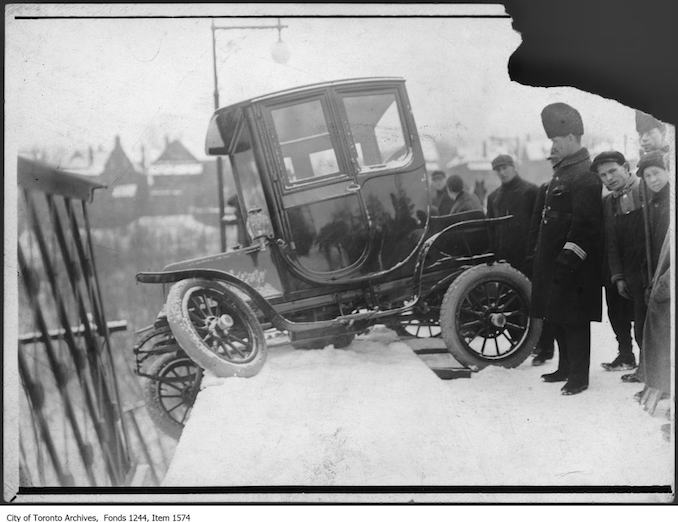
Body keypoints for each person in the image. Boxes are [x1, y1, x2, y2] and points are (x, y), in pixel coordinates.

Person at [530, 102, 603, 395]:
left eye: (557, 140)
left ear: (572, 138)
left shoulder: (585, 175)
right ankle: (564, 367)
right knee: (556, 315)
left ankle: (579, 376)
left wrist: (566, 260)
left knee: (575, 320)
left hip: (573, 264)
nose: (553, 146)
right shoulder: (563, 173)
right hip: (553, 262)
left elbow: (585, 226)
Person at [593, 151, 643, 372]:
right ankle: (625, 355)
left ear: (626, 167)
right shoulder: (607, 202)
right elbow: (610, 240)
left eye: (612, 171)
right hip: (619, 267)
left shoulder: (645, 190)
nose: (609, 178)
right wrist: (617, 275)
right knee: (616, 310)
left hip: (643, 267)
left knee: (644, 316)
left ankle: (650, 364)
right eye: (603, 175)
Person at [486, 154, 539, 273]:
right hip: (502, 260)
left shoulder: (531, 191)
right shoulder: (493, 197)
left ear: (514, 167)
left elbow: (539, 225)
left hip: (526, 258)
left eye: (505, 168)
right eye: (498, 170)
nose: (502, 173)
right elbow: (491, 229)